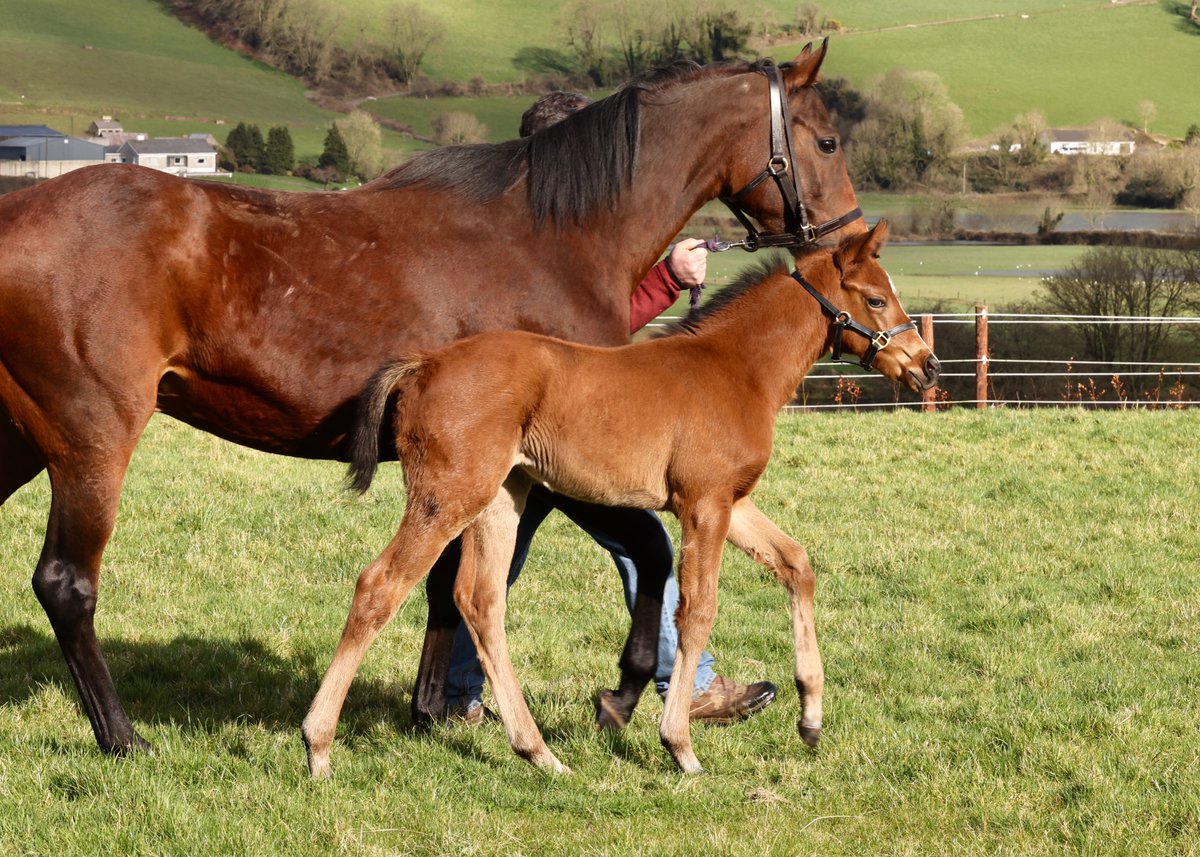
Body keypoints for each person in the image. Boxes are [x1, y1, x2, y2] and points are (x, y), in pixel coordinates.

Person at [443, 91, 776, 725]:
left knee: (494, 559)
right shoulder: (552, 242)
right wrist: (668, 280)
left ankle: (457, 694)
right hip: (561, 425)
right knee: (642, 547)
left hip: (534, 419)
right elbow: (596, 330)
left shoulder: (527, 232)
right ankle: (690, 686)